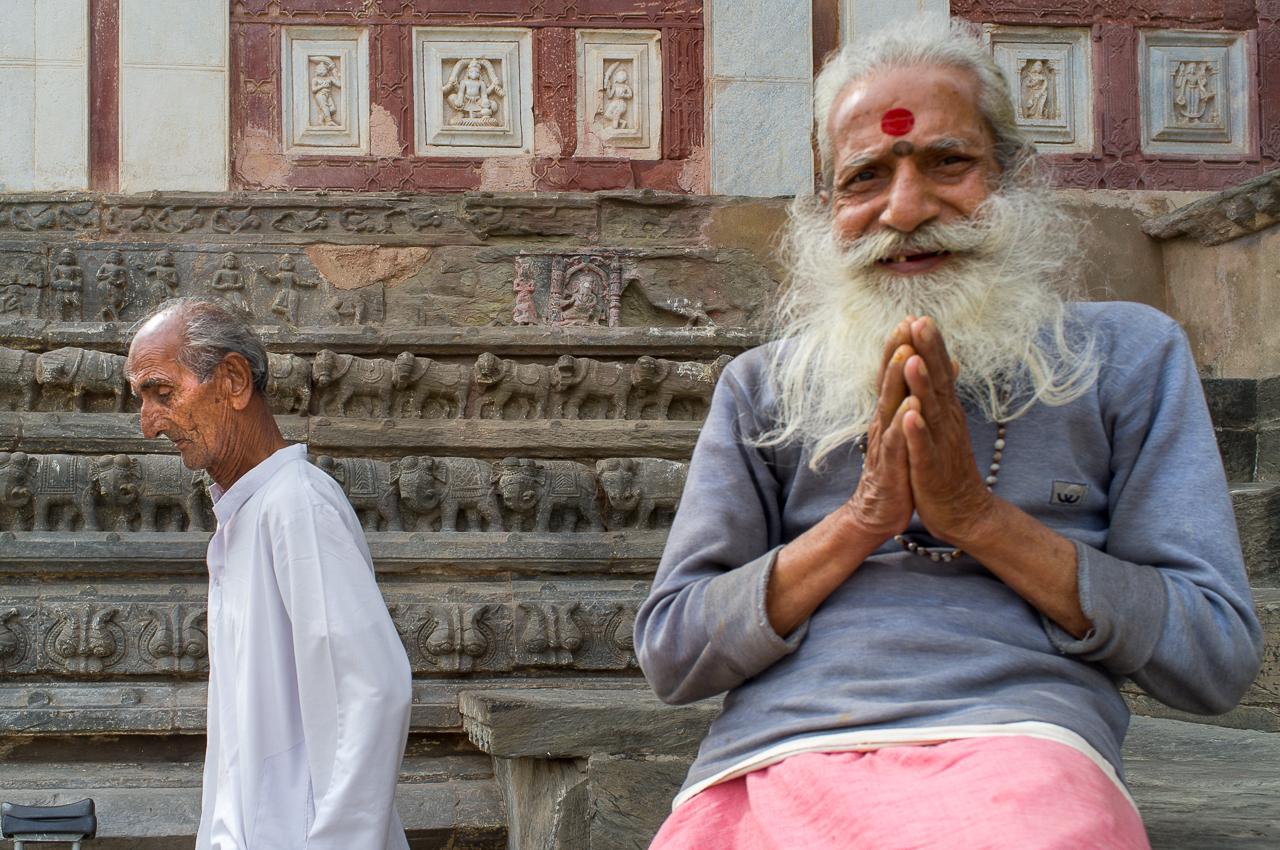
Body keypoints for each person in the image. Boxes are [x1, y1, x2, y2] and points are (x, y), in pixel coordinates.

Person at [635, 28, 1262, 849]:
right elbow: (674, 652)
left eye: (948, 163)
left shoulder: (1127, 357)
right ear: (828, 208)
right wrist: (861, 521)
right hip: (778, 756)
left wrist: (977, 518)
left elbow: (1213, 656)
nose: (904, 211)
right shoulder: (764, 387)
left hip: (1022, 754)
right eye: (865, 177)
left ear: (1011, 177)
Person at [125, 297, 412, 849]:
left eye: (162, 393)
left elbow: (373, 692)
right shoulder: (250, 513)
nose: (149, 425)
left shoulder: (296, 504)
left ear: (233, 381)